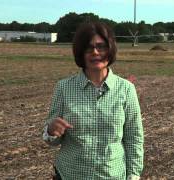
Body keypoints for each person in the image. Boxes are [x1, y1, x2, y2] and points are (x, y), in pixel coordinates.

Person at [42, 22, 144, 180]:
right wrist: (51, 130)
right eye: (88, 48)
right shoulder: (63, 88)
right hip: (70, 174)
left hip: (113, 175)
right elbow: (52, 140)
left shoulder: (126, 89)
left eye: (101, 46)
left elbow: (134, 137)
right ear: (80, 53)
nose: (95, 52)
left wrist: (134, 174)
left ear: (110, 49)